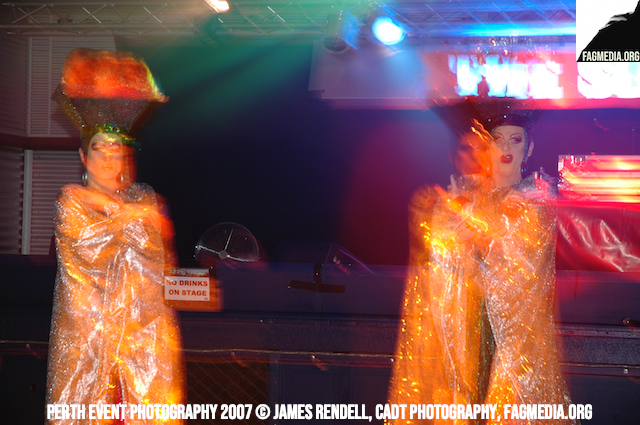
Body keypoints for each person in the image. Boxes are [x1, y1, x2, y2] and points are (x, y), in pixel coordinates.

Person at [387, 111, 575, 424]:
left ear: (528, 148)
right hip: (472, 333)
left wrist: (464, 215)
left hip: (516, 344)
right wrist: (446, 217)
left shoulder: (536, 197)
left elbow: (509, 242)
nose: (507, 148)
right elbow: (443, 253)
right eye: (498, 140)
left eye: (516, 140)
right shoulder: (472, 194)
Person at [46, 49, 184, 424]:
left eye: (115, 149)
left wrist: (121, 211)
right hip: (88, 353)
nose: (107, 158)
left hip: (141, 350)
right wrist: (125, 215)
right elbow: (92, 249)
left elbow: (152, 246)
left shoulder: (145, 198)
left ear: (126, 158)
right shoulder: (70, 203)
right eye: (98, 148)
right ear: (83, 156)